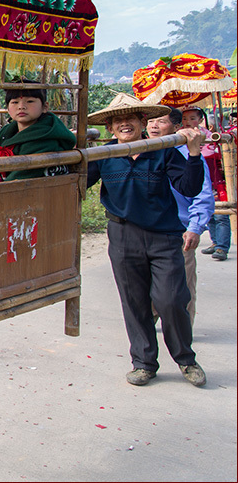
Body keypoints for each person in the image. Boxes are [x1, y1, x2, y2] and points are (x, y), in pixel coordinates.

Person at [87, 93, 207, 387]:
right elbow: (73, 182)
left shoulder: (163, 150)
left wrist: (193, 154)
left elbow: (190, 188)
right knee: (134, 301)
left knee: (172, 300)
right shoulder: (104, 154)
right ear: (110, 127)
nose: (124, 124)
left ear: (143, 122)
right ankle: (143, 363)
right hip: (123, 236)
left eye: (130, 118)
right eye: (117, 120)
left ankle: (186, 359)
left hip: (164, 237)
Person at [146, 107, 215, 327]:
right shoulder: (142, 151)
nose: (154, 126)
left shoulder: (188, 155)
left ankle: (183, 330)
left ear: (177, 127)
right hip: (147, 231)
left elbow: (203, 195)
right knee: (147, 284)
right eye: (151, 121)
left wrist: (194, 227)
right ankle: (148, 325)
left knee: (180, 285)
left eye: (161, 121)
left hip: (179, 230)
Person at [0, 78, 78, 180]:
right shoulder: (7, 131)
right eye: (15, 102)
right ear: (8, 109)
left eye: (30, 101)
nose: (21, 106)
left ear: (45, 107)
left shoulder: (45, 138)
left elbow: (19, 178)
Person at [183, 107, 232, 262]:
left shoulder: (209, 136)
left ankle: (222, 247)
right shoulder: (179, 138)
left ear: (200, 120)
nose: (188, 122)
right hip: (196, 179)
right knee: (208, 215)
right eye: (184, 119)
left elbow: (214, 154)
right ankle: (215, 241)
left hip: (214, 180)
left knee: (220, 215)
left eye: (192, 118)